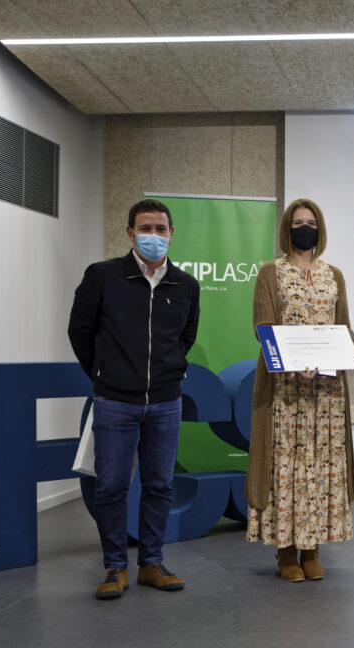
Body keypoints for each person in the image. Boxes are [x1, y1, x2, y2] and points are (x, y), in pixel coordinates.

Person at [68, 198, 200, 599]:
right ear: (129, 233)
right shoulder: (103, 276)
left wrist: (169, 370)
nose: (154, 237)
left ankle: (151, 563)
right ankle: (114, 567)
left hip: (165, 401)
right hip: (115, 401)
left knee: (160, 485)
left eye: (161, 229)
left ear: (172, 234)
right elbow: (80, 332)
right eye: (146, 229)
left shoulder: (186, 286)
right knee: (110, 487)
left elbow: (185, 339)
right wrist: (105, 374)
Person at [245, 199, 354, 582]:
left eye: (311, 223)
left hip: (326, 395)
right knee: (286, 468)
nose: (305, 229)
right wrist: (295, 362)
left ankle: (312, 549)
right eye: (298, 223)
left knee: (320, 468)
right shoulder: (270, 273)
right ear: (287, 228)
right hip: (285, 393)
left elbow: (343, 326)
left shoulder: (335, 275)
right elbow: (264, 328)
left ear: (320, 229)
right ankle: (285, 553)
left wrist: (350, 346)